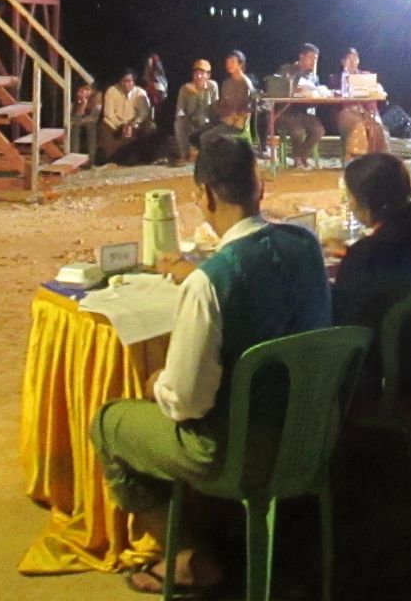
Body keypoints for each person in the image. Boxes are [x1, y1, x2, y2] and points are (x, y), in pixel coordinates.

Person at [90, 136, 331, 594]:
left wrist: (160, 385)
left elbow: (188, 403)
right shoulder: (306, 244)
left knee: (109, 423)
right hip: (313, 431)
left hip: (240, 452)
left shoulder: (211, 282)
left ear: (204, 195)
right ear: (260, 186)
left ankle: (183, 556)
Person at [333, 153, 411, 393]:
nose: (350, 204)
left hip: (382, 374)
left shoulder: (367, 255)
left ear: (367, 201)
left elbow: (343, 322)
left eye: (350, 197)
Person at [278, 43, 325, 168]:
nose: (313, 62)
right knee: (298, 132)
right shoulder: (287, 69)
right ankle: (299, 158)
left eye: (315, 59)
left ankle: (300, 155)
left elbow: (314, 99)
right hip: (285, 112)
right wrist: (294, 86)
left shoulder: (313, 77)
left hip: (302, 112)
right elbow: (279, 89)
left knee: (318, 130)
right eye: (311, 58)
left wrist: (316, 97)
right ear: (301, 57)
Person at [98, 69, 158, 164]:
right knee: (104, 124)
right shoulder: (112, 91)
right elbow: (108, 114)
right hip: (117, 126)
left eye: (129, 81)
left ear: (134, 81)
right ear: (120, 81)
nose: (127, 84)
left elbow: (144, 114)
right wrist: (122, 125)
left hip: (134, 126)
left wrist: (131, 125)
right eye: (124, 81)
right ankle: (110, 158)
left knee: (150, 126)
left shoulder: (139, 92)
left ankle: (147, 158)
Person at [173, 59, 219, 162]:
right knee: (179, 124)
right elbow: (180, 109)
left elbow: (214, 107)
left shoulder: (212, 86)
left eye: (202, 73)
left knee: (204, 121)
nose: (198, 76)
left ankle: (203, 154)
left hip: (205, 119)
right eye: (196, 73)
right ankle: (184, 154)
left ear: (208, 75)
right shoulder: (185, 89)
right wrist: (183, 118)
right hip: (189, 118)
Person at [68, 81, 102, 161]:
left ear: (92, 91)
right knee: (74, 128)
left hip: (93, 121)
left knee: (91, 126)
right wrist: (83, 104)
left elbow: (94, 117)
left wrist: (80, 120)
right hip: (79, 121)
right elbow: (73, 119)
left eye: (87, 89)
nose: (84, 91)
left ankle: (92, 159)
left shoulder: (97, 97)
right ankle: (74, 157)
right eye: (82, 89)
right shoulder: (73, 98)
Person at [142, 53, 169, 123]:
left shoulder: (159, 72)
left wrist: (154, 86)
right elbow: (145, 81)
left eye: (152, 61)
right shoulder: (147, 70)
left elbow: (163, 85)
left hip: (159, 96)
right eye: (149, 61)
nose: (150, 62)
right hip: (148, 96)